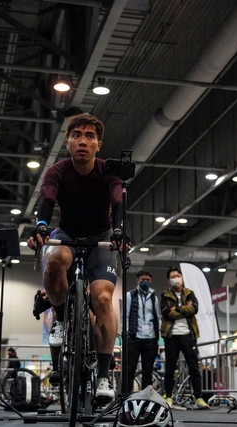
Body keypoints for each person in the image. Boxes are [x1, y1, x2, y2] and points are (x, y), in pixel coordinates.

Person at [27, 113, 123, 402]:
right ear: (67, 142)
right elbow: (46, 201)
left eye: (90, 136)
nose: (83, 141)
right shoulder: (57, 171)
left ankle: (104, 376)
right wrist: (41, 227)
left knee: (102, 299)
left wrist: (119, 232)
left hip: (101, 238)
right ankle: (59, 318)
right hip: (67, 234)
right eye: (77, 135)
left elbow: (118, 201)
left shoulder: (109, 171)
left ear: (98, 145)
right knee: (54, 259)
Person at [160, 267, 209, 410]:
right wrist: (185, 309)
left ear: (182, 277)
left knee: (193, 367)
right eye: (172, 276)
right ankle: (169, 397)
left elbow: (195, 308)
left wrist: (177, 309)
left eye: (178, 275)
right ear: (168, 281)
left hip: (188, 335)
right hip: (171, 336)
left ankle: (199, 398)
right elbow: (166, 313)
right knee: (170, 368)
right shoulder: (165, 295)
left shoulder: (189, 293)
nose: (176, 278)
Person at [124, 269, 161, 393]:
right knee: (130, 369)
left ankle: (146, 396)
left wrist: (157, 339)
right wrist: (127, 335)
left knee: (148, 371)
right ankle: (126, 395)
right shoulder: (130, 295)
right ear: (137, 281)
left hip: (150, 338)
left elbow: (156, 317)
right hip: (134, 337)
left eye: (148, 280)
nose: (145, 282)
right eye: (143, 280)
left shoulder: (154, 298)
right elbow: (125, 315)